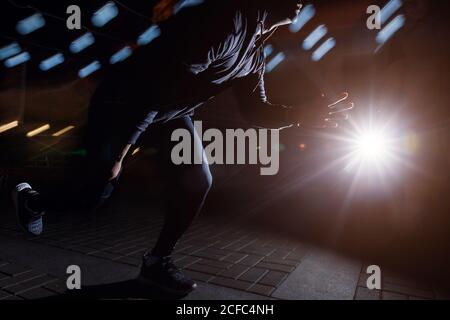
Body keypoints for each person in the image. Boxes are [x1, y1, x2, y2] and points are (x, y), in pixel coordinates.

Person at [11, 0, 353, 295]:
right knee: (96, 193)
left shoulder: (254, 50)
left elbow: (255, 110)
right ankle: (31, 199)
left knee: (198, 181)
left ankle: (156, 265)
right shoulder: (227, 22)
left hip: (169, 112)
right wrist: (122, 152)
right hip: (125, 102)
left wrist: (301, 115)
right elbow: (160, 82)